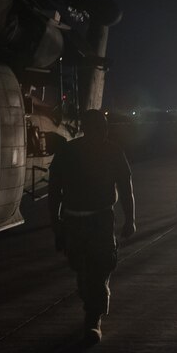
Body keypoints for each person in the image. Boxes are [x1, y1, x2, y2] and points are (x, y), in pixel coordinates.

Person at [49, 109, 136, 341]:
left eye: (103, 127)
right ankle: (91, 302)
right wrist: (56, 223)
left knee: (99, 269)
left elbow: (126, 187)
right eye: (98, 127)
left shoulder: (113, 152)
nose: (102, 131)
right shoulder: (69, 152)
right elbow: (55, 189)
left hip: (100, 219)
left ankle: (93, 318)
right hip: (74, 220)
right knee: (81, 268)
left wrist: (131, 219)